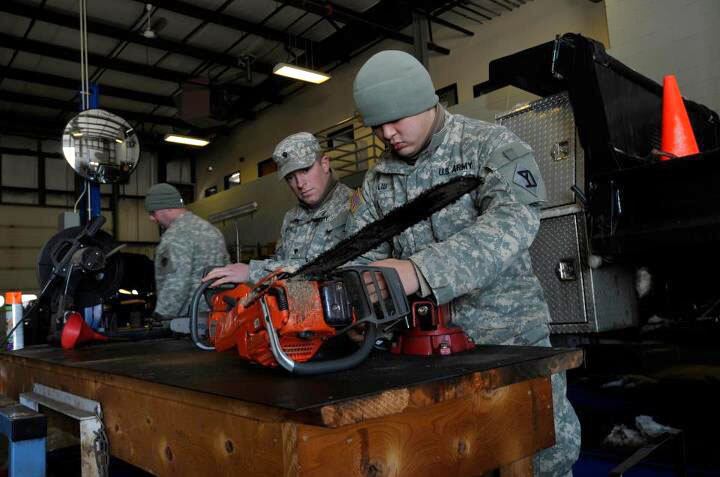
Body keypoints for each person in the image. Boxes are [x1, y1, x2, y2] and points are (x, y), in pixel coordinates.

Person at [347, 50, 581, 476]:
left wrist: (418, 271)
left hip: (507, 340)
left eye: (396, 119)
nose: (387, 133)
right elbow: (362, 253)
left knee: (539, 455)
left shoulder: (488, 145)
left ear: (424, 99)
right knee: (450, 458)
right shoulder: (379, 179)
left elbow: (513, 223)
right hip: (424, 352)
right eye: (377, 125)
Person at [204, 132, 353, 286]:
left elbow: (335, 269)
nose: (300, 184)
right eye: (290, 177)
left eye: (305, 170)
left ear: (325, 164)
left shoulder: (354, 206)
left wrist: (252, 271)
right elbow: (280, 262)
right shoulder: (292, 217)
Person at [144, 183, 229, 318]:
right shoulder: (212, 230)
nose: (151, 218)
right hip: (217, 315)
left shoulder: (175, 236)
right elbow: (227, 272)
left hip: (189, 320)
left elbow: (177, 283)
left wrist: (162, 315)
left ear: (165, 208)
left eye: (153, 212)